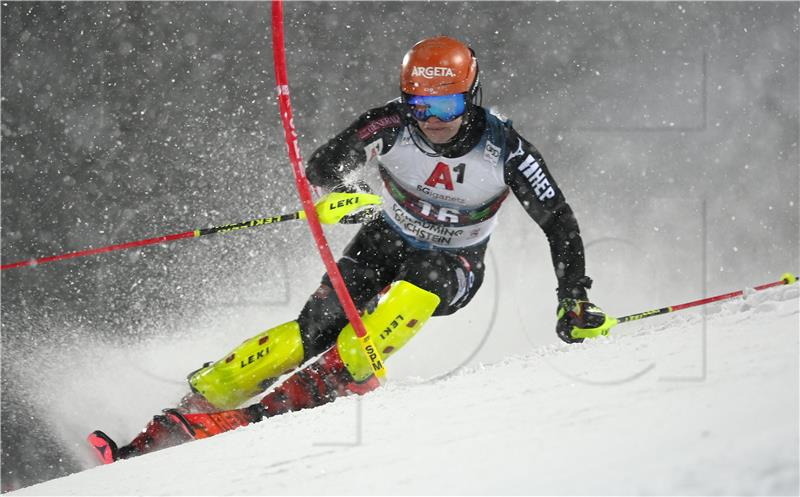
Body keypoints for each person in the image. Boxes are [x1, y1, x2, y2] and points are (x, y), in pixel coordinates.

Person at [88, 35, 615, 464]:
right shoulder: (389, 124)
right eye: (420, 105)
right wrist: (344, 197)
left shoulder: (505, 149)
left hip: (454, 262)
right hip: (385, 238)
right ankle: (184, 416)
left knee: (413, 291)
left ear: (470, 96)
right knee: (314, 328)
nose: (432, 120)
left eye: (447, 104)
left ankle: (295, 402)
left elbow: (559, 224)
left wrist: (574, 298)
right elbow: (323, 167)